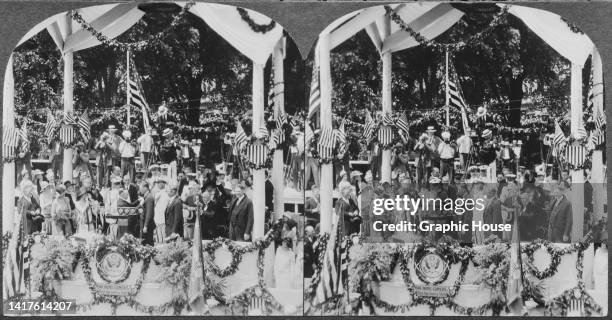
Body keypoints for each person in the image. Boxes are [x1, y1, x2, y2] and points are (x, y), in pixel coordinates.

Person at [274, 216, 298, 289]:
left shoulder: (292, 233)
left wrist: (293, 252)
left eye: (286, 224)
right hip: (283, 250)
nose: (285, 225)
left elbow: (292, 244)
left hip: (288, 251)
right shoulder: (285, 231)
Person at [153, 178, 170, 243]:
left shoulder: (166, 193)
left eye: (160, 183)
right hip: (158, 215)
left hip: (164, 215)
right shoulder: (157, 193)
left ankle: (162, 242)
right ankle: (160, 242)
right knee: (159, 230)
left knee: (163, 230)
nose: (158, 185)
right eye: (158, 183)